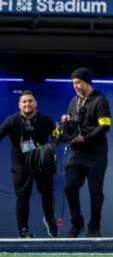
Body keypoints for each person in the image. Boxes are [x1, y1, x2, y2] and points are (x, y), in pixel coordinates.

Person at [0, 91, 58, 238]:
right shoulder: (12, 120)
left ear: (35, 103)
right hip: (20, 163)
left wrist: (48, 147)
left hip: (41, 162)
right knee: (23, 197)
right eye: (24, 102)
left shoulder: (45, 119)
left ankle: (50, 220)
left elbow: (58, 136)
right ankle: (23, 229)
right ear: (19, 105)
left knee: (47, 192)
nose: (27, 104)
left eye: (30, 101)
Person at [62, 68, 111, 238]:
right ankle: (77, 223)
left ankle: (94, 227)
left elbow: (105, 126)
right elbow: (72, 125)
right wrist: (66, 121)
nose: (75, 86)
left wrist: (86, 139)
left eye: (78, 82)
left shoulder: (100, 101)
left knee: (95, 191)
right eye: (73, 83)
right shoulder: (74, 101)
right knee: (70, 187)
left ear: (87, 82)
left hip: (96, 154)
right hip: (77, 154)